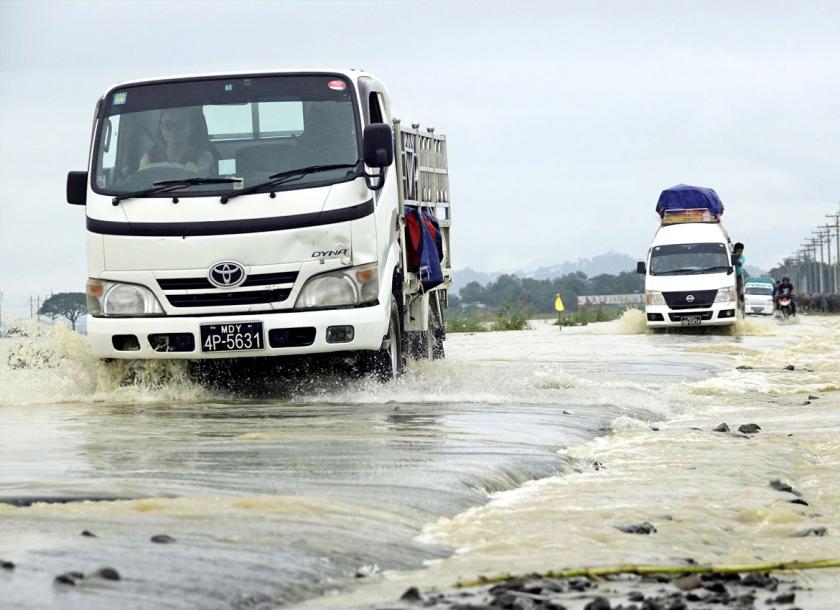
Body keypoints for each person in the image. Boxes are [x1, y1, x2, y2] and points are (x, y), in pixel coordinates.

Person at [139, 108, 214, 174]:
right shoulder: (148, 159)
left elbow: (204, 184)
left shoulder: (203, 157)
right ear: (161, 128)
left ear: (191, 128)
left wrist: (197, 173)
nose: (174, 130)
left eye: (180, 124)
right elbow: (143, 185)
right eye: (168, 124)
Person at [733, 242, 746, 313]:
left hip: (738, 276)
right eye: (738, 251)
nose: (740, 252)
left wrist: (736, 257)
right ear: (735, 250)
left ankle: (738, 307)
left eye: (741, 251)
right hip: (731, 276)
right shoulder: (730, 255)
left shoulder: (742, 257)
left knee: (738, 292)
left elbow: (739, 262)